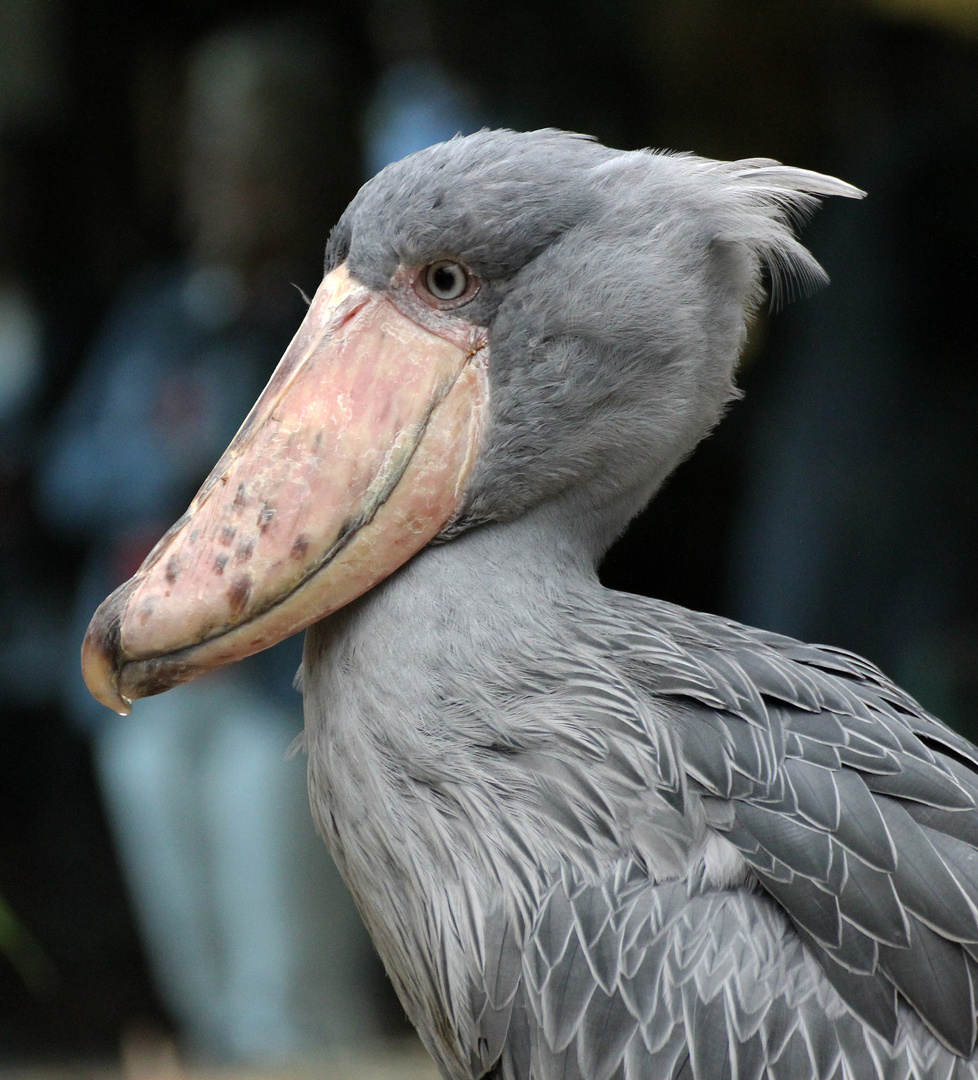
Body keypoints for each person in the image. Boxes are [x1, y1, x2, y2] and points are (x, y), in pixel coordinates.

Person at [38, 21, 381, 1063]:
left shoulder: (347, 310)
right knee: (202, 992)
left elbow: (318, 488)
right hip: (152, 688)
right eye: (215, 150)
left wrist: (194, 476)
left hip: (280, 689)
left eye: (252, 153)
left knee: (290, 990)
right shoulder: (159, 310)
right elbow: (69, 474)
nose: (223, 177)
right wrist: (179, 477)